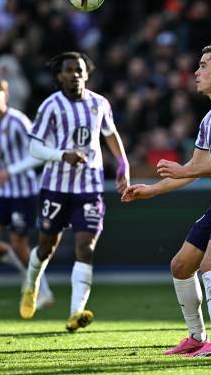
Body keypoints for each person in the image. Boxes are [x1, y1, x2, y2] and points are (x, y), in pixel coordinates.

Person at [123, 45, 211, 357]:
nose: (196, 72)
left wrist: (186, 169)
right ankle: (196, 337)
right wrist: (151, 189)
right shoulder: (209, 119)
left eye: (203, 66)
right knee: (180, 266)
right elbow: (190, 173)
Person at [20, 52, 130, 333]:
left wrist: (123, 163)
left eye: (79, 70)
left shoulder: (99, 103)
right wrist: (61, 155)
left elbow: (110, 133)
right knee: (46, 248)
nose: (75, 75)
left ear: (86, 74)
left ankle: (75, 313)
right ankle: (31, 285)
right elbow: (34, 147)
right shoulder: (51, 106)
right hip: (55, 187)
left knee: (86, 247)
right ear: (60, 76)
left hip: (89, 188)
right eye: (69, 70)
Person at [0, 77, 53, 309]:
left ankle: (41, 290)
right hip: (1, 192)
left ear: (6, 95)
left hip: (24, 192)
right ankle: (26, 274)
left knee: (18, 242)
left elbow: (38, 153)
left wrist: (9, 171)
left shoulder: (18, 121)